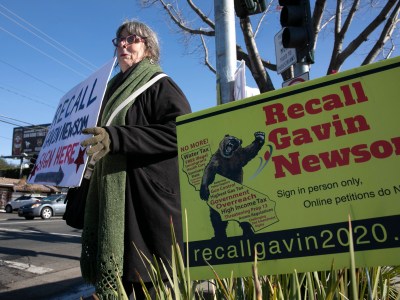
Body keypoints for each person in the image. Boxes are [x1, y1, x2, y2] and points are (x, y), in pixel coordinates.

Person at [79, 20, 191, 299]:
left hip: (147, 205)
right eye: (119, 40)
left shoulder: (159, 85)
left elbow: (182, 132)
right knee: (120, 282)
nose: (123, 44)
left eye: (132, 39)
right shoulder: (110, 90)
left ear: (148, 48)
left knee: (147, 286)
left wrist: (116, 138)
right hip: (115, 200)